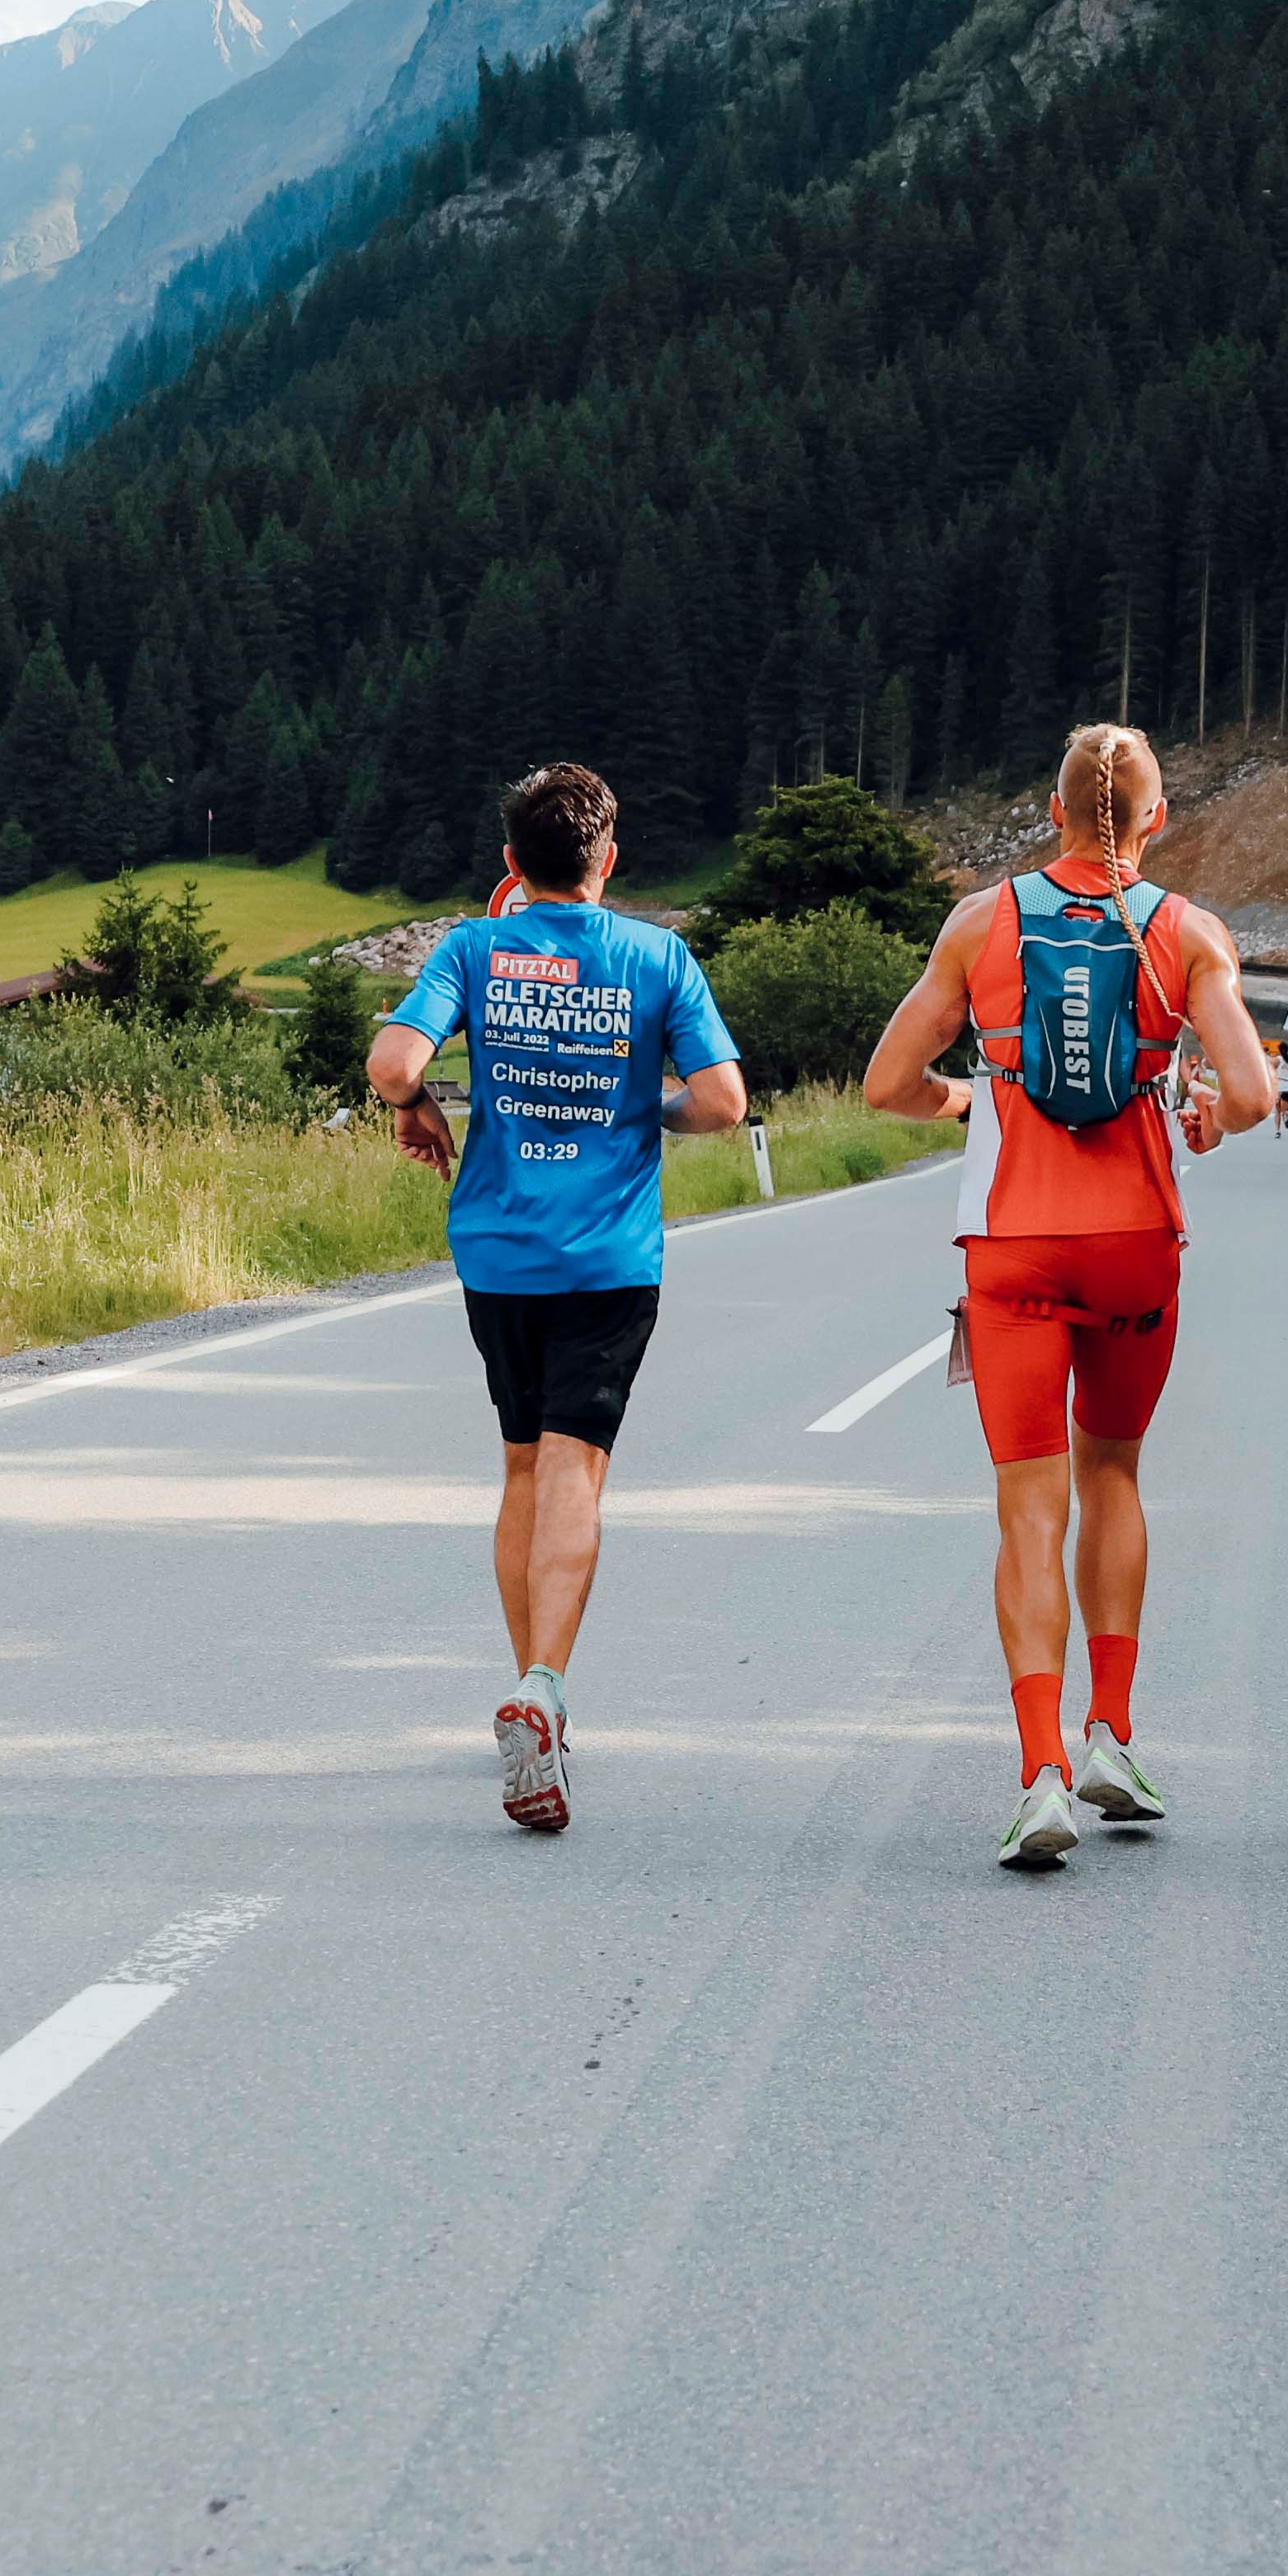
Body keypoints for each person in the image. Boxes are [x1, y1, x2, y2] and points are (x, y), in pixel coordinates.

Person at [863, 722, 1281, 1866]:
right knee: (1113, 1474)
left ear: (1048, 813)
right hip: (1136, 1244)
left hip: (1011, 1246)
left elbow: (885, 1084)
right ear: (1155, 820)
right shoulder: (1187, 931)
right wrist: (1199, 1115)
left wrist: (970, 1104)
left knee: (1027, 1505)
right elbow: (1247, 1091)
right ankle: (1112, 1731)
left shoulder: (980, 923)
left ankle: (1039, 1768)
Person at [368, 762, 750, 1835]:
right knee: (575, 1465)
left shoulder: (472, 948)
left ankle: (528, 1693)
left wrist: (417, 1108)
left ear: (509, 866)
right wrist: (649, 1111)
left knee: (520, 1464)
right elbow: (721, 1101)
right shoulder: (654, 956)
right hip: (606, 1257)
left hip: (494, 1251)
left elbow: (392, 1058)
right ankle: (540, 1685)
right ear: (607, 860)